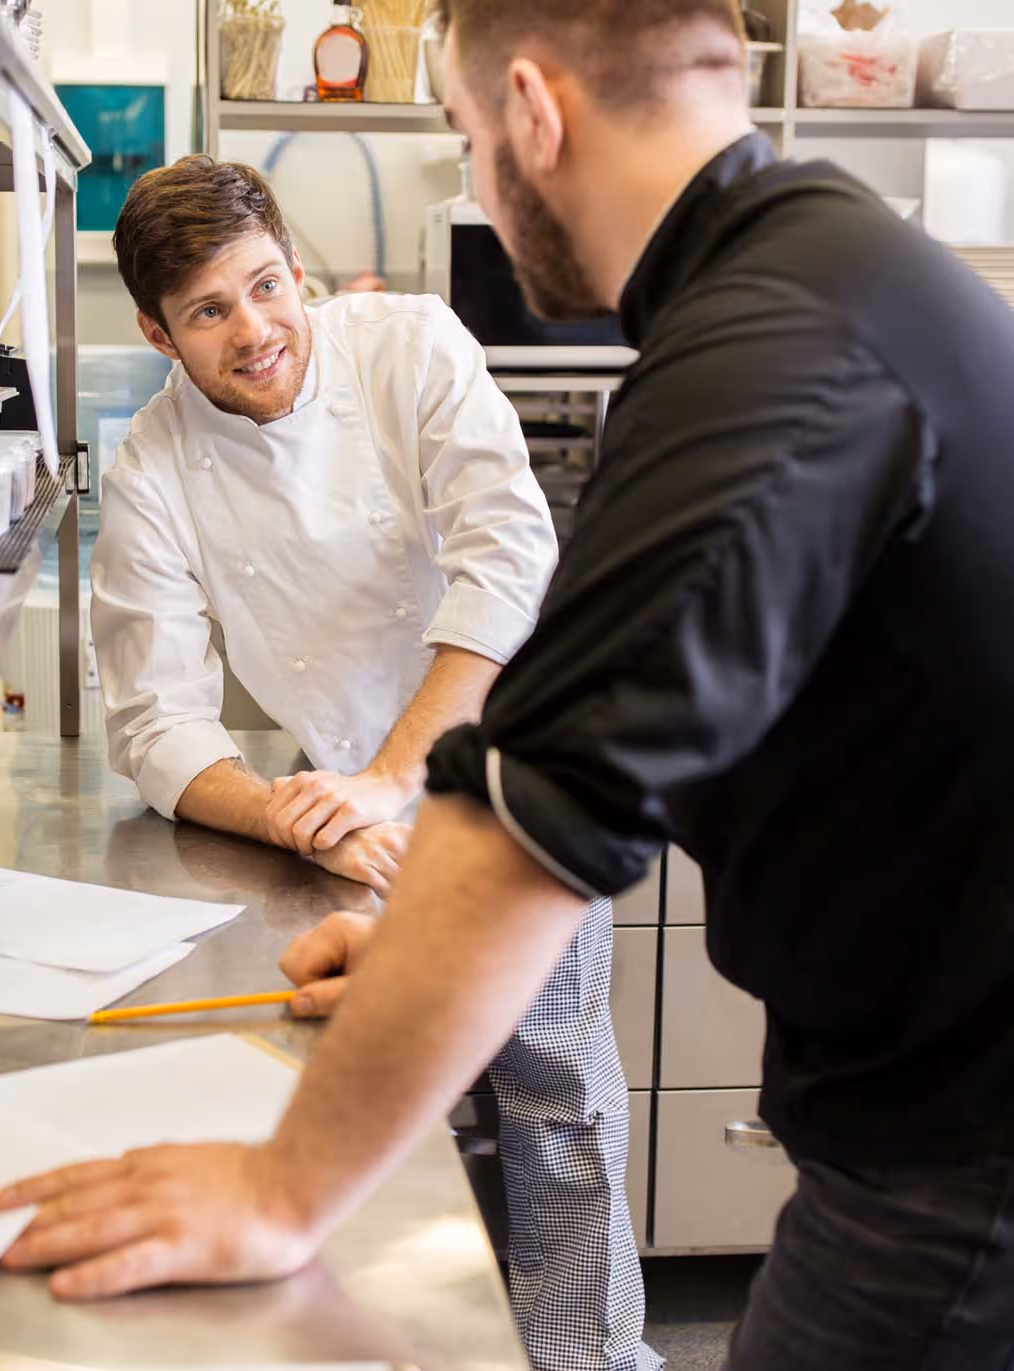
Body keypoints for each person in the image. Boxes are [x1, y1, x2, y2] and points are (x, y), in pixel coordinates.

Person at [0, 0, 1014, 1366]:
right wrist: (423, 930)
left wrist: (285, 1186)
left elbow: (552, 797)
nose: (478, 175)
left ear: (532, 111)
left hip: (1012, 1097)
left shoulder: (764, 352)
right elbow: (689, 725)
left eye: (468, 137)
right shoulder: (810, 273)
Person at [82, 154, 655, 1371]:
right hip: (347, 816)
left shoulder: (411, 348)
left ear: (296, 264)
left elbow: (506, 560)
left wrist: (397, 773)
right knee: (394, 1113)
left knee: (556, 1097)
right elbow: (153, 723)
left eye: (265, 285)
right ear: (157, 333)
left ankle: (589, 1363)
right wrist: (293, 816)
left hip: (514, 771)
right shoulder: (151, 470)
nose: (256, 330)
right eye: (209, 311)